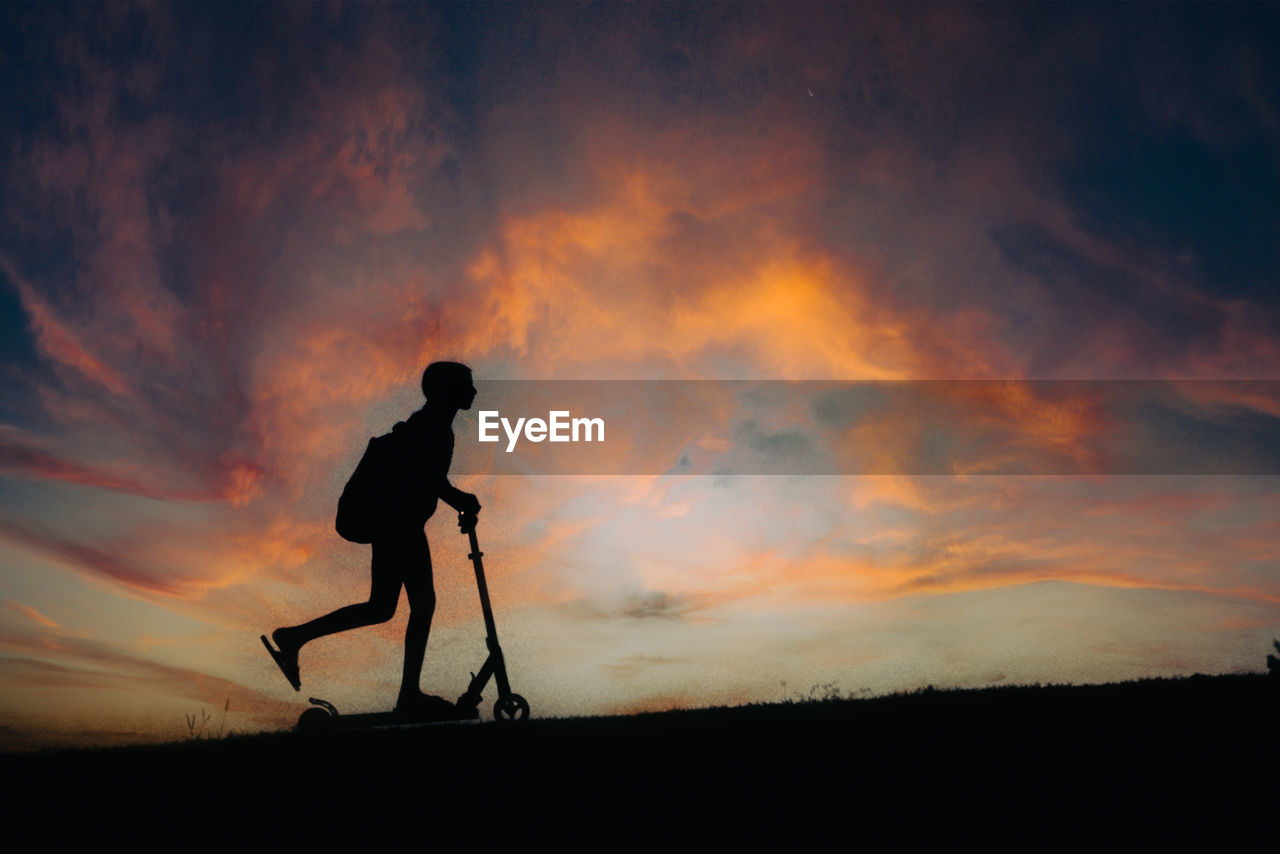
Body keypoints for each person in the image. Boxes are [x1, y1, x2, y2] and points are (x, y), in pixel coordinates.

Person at [262, 361, 481, 715]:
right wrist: (462, 500)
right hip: (398, 524)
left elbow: (427, 477)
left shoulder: (433, 425)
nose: (473, 392)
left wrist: (458, 501)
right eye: (467, 385)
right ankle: (408, 695)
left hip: (398, 523)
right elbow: (426, 477)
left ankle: (295, 637)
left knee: (384, 607)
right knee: (418, 605)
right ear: (448, 390)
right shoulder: (430, 427)